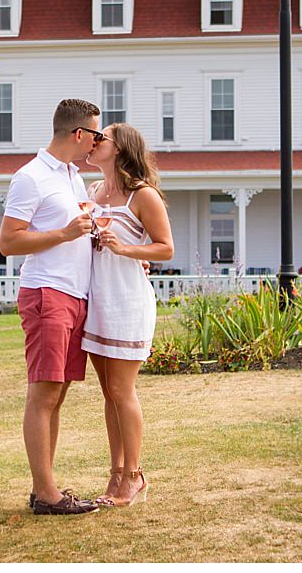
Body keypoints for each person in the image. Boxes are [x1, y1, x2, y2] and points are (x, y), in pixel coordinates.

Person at [0, 98, 103, 516]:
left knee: (56, 394)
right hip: (47, 293)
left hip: (74, 294)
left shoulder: (73, 179)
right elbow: (9, 242)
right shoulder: (31, 177)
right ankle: (46, 495)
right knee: (43, 393)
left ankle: (48, 487)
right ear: (79, 134)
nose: (98, 142)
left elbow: (73, 233)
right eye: (96, 134)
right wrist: (64, 233)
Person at [83, 123, 174, 507]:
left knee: (123, 391)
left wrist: (125, 249)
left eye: (100, 138)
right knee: (108, 395)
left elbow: (166, 249)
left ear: (119, 149)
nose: (93, 142)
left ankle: (134, 477)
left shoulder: (143, 195)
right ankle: (115, 474)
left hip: (126, 302)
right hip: (97, 302)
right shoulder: (92, 192)